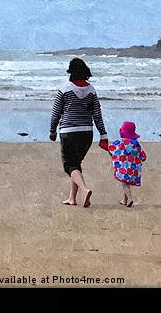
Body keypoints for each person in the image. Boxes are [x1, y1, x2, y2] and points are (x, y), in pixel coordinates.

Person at [49, 58, 108, 208]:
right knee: (76, 164)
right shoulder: (92, 90)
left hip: (69, 132)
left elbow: (56, 112)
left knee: (69, 165)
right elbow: (97, 114)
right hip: (87, 133)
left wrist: (52, 130)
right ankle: (72, 198)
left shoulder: (64, 89)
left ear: (71, 71)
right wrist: (103, 134)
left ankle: (84, 189)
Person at [106, 121, 147, 208]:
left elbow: (111, 150)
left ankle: (130, 198)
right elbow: (143, 156)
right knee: (126, 183)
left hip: (124, 168)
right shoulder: (136, 144)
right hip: (133, 169)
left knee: (125, 185)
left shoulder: (121, 142)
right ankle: (124, 200)